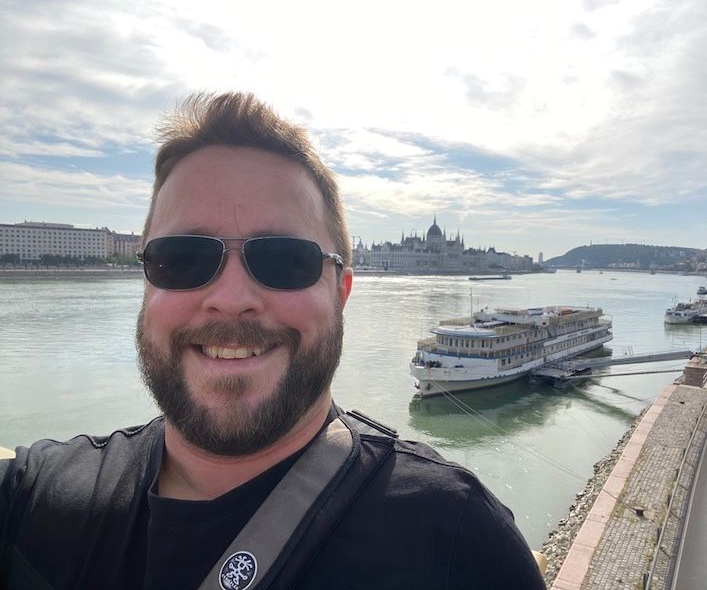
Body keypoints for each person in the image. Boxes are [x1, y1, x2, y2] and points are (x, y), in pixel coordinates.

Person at [0, 92, 545, 589]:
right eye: (183, 259)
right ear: (146, 279)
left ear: (340, 290)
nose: (231, 297)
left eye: (286, 259)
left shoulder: (460, 545)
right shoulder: (31, 503)